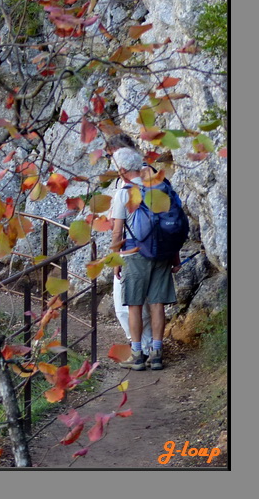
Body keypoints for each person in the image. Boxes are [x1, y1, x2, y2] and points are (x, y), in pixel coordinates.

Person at [109, 147, 181, 371]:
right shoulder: (160, 188)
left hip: (135, 253)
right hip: (162, 253)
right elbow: (172, 226)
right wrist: (175, 256)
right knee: (157, 304)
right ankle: (157, 354)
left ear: (122, 170)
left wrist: (115, 260)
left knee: (134, 305)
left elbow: (117, 231)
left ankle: (137, 354)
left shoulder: (124, 193)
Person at [105, 137, 153, 355]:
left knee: (126, 305)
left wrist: (115, 260)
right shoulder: (151, 178)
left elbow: (117, 229)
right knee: (150, 303)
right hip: (155, 248)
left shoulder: (126, 187)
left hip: (131, 250)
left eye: (111, 155)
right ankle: (151, 347)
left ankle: (140, 348)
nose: (111, 161)